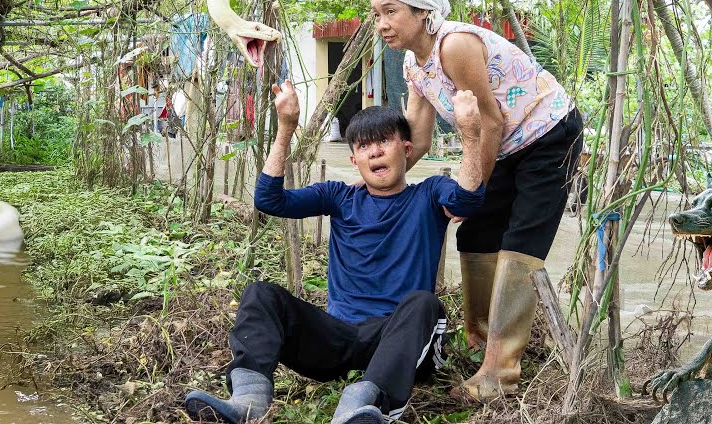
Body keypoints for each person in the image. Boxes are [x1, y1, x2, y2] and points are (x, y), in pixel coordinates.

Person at [183, 80, 488, 424]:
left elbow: (467, 200)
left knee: (425, 304)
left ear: (406, 149)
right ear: (354, 158)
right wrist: (286, 127)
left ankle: (361, 407)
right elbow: (269, 200)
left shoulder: (429, 194)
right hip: (339, 337)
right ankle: (248, 402)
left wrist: (471, 134)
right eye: (364, 146)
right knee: (260, 295)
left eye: (384, 141)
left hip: (399, 341)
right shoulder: (339, 197)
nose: (374, 152)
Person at [370, 0, 584, 401]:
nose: (382, 25)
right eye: (376, 15)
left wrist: (473, 191)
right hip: (504, 144)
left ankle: (499, 372)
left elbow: (490, 118)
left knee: (521, 241)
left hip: (548, 134)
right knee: (477, 232)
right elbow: (418, 134)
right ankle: (480, 340)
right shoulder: (415, 64)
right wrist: (385, 181)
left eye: (390, 12)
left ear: (422, 12)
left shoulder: (455, 45)